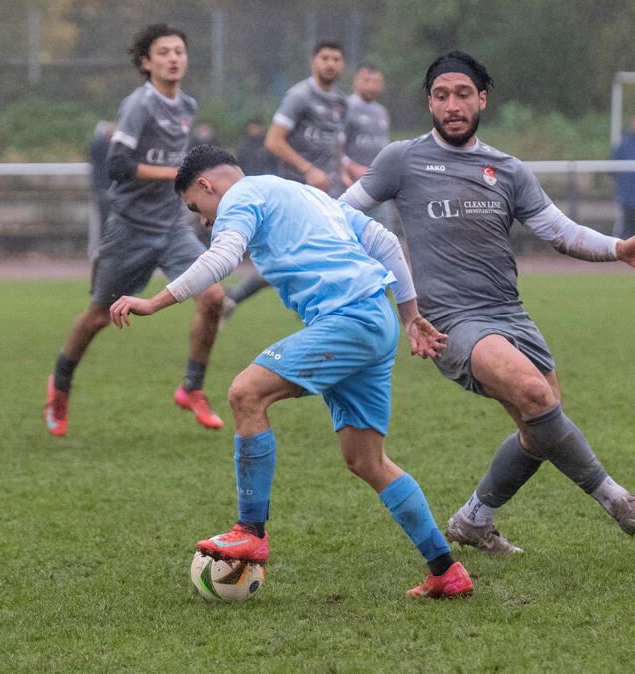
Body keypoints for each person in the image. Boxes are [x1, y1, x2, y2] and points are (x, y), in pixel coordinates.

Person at [339, 51, 635, 556]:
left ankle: (474, 519)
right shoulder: (402, 160)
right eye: (440, 95)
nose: (451, 105)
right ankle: (621, 503)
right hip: (451, 323)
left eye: (462, 94)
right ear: (429, 103)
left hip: (510, 314)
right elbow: (339, 216)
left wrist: (618, 248)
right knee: (536, 398)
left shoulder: (507, 169)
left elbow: (558, 231)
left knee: (540, 429)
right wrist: (396, 294)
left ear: (481, 99)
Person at [109, 145, 474, 598]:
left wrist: (155, 300)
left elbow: (222, 258)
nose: (203, 220)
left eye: (195, 208)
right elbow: (381, 239)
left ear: (207, 185)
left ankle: (251, 530)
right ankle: (445, 570)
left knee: (247, 393)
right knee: (366, 460)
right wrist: (408, 315)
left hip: (348, 319)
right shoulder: (307, 195)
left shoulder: (240, 196)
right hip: (374, 322)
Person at [43, 23, 226, 437]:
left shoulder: (187, 106)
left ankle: (192, 389)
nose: (174, 58)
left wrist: (197, 202)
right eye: (163, 52)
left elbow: (181, 172)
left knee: (213, 297)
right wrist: (177, 174)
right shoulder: (139, 105)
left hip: (173, 228)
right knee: (96, 318)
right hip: (129, 230)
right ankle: (60, 386)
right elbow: (119, 167)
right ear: (146, 63)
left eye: (179, 50)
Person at [223, 39, 350, 314]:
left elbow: (336, 145)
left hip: (331, 193)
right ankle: (236, 297)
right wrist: (309, 170)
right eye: (325, 57)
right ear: (313, 62)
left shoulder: (341, 101)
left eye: (336, 59)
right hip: (299, 192)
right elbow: (274, 141)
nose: (330, 63)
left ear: (343, 64)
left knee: (305, 258)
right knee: (297, 258)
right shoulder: (299, 96)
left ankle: (235, 297)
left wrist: (342, 173)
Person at [341, 62, 398, 232]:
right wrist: (350, 167)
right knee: (352, 232)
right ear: (356, 81)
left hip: (380, 185)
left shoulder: (381, 112)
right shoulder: (346, 107)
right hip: (352, 185)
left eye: (377, 81)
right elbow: (333, 147)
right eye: (367, 80)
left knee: (384, 233)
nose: (372, 84)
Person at [89, 120, 116, 248]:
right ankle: (104, 247)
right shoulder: (104, 145)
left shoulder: (97, 145)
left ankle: (101, 248)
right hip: (106, 188)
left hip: (102, 188)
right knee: (105, 222)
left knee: (103, 222)